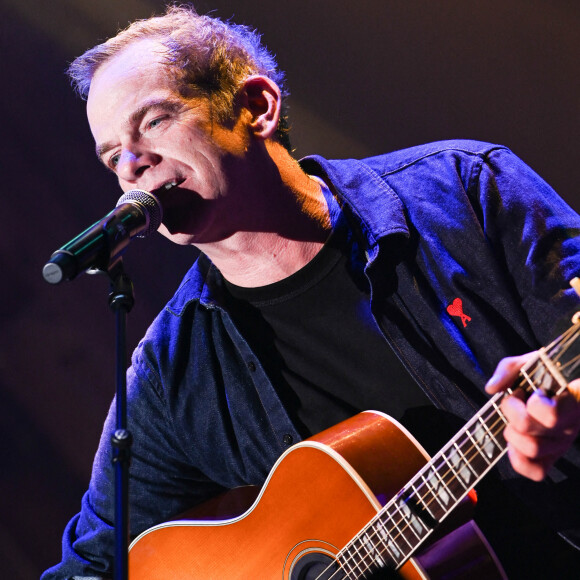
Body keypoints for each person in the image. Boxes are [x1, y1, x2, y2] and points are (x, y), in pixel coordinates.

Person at [42, 4, 580, 579]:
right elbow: (90, 568)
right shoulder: (172, 375)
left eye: (153, 121)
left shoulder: (463, 189)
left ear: (256, 107)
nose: (130, 164)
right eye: (110, 154)